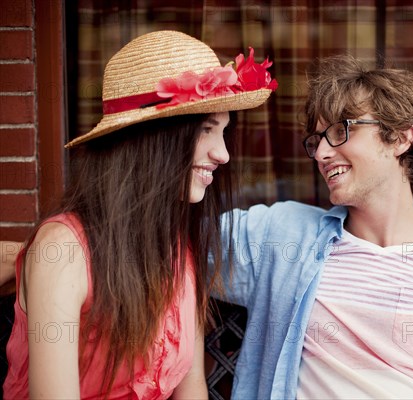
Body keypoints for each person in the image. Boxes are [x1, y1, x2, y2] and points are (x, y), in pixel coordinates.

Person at [211, 55, 413, 399]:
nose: (320, 153)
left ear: (401, 138)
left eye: (339, 131)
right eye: (316, 140)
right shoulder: (279, 235)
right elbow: (169, 241)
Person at [2, 30, 276, 399]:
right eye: (206, 129)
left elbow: (191, 390)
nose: (223, 154)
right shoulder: (64, 250)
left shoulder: (177, 246)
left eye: (224, 131)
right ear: (151, 139)